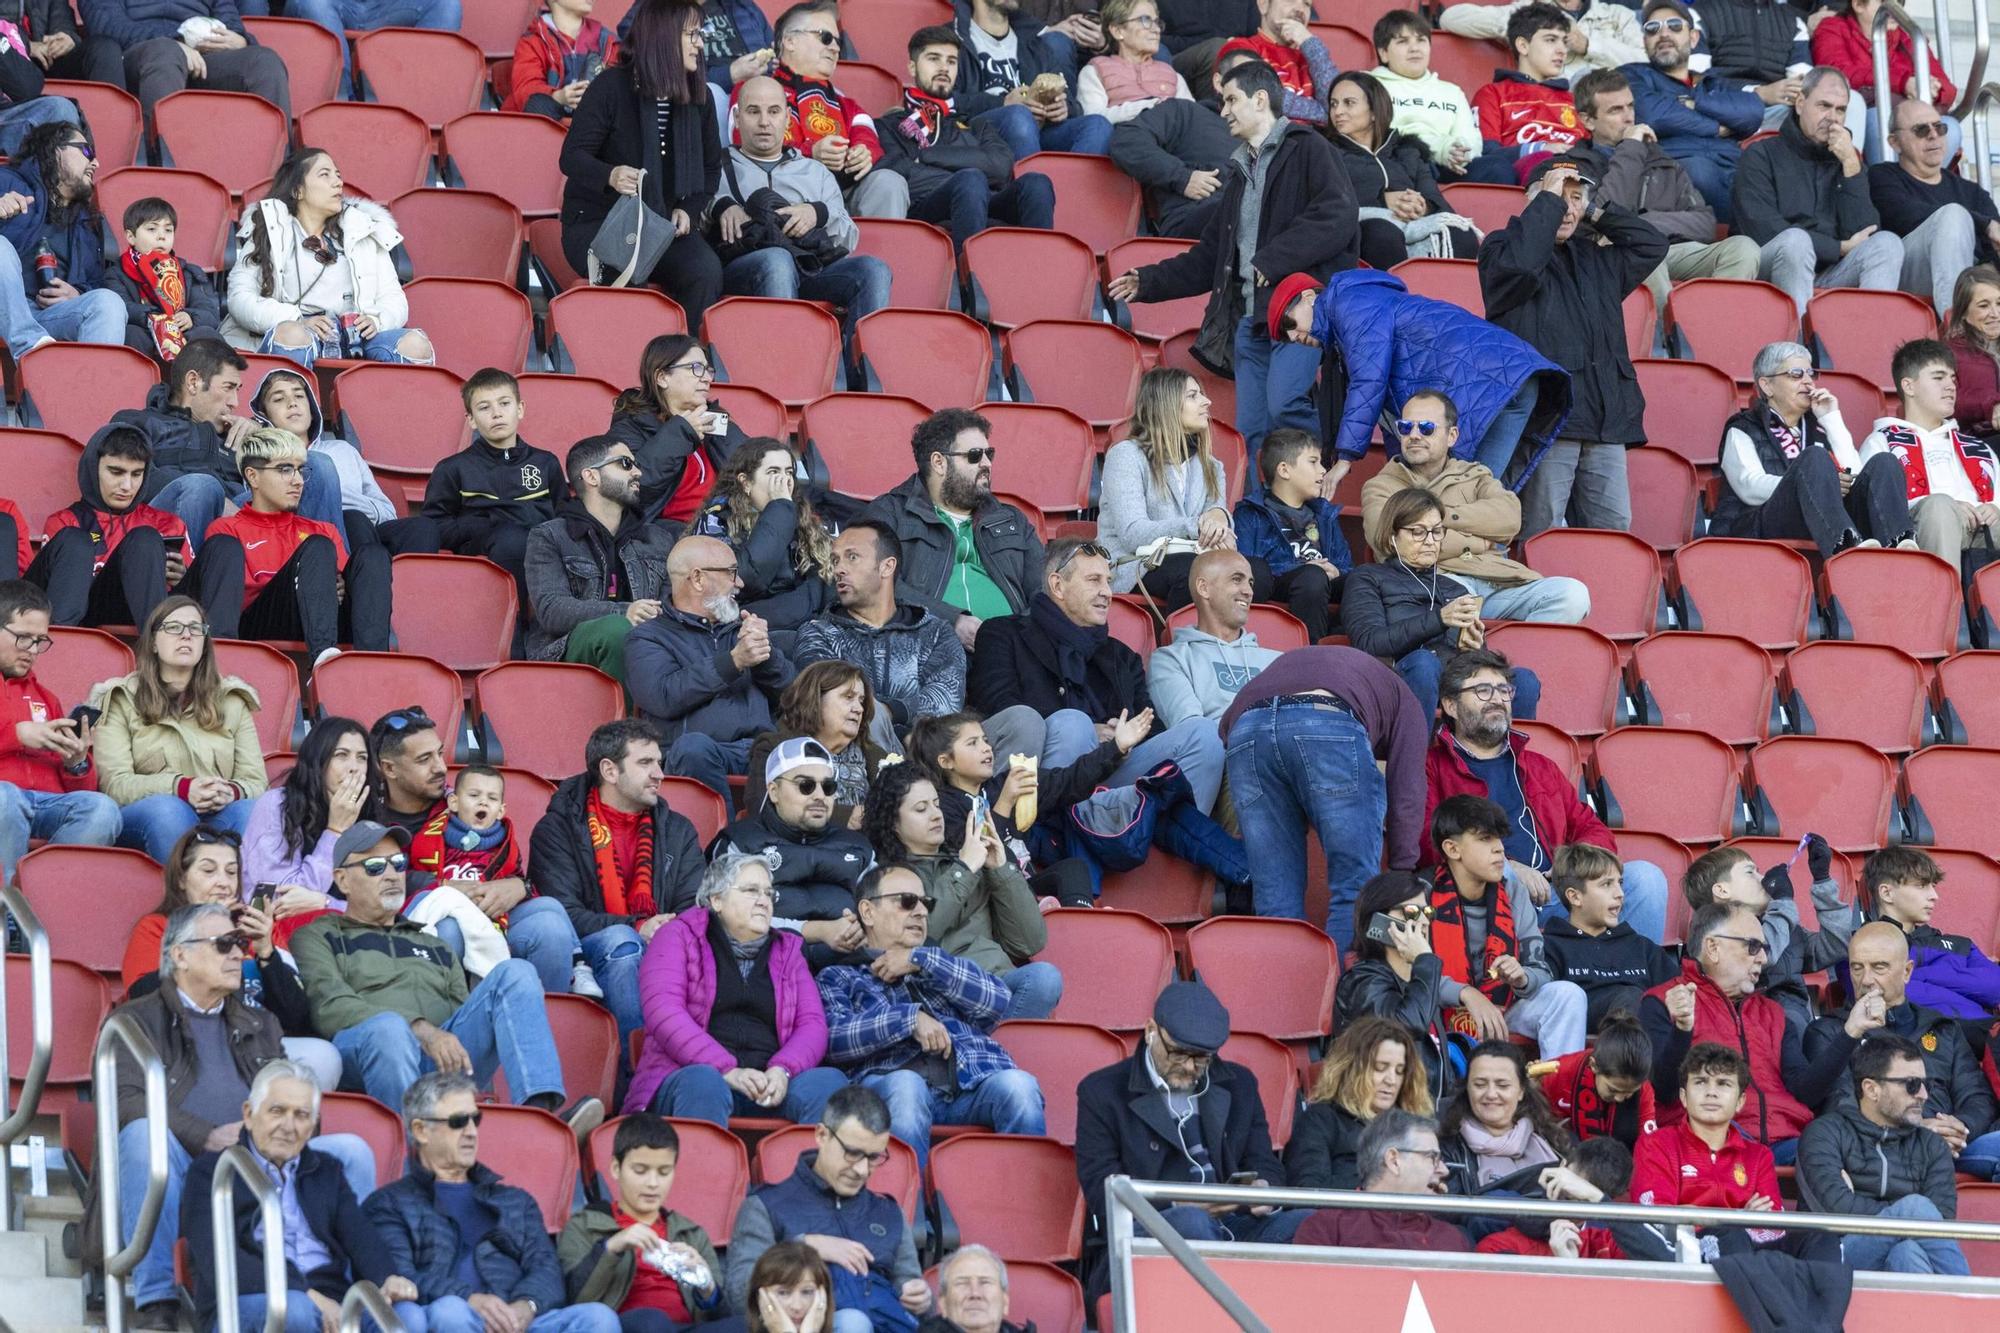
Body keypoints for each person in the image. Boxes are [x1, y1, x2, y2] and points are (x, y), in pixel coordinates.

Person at [109, 909, 374, 1329]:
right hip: (187, 1163)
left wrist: (264, 1138)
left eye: (239, 944)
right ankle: (156, 1301)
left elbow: (300, 1102)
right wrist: (208, 1136)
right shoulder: (135, 1019)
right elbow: (124, 1102)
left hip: (259, 1158)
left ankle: (344, 1295)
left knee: (351, 1150)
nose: (238, 954)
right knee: (144, 1137)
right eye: (223, 945)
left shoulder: (260, 1021)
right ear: (180, 955)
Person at [1106, 58, 1355, 458]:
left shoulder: (1310, 148)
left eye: (1230, 100)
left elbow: (1338, 216)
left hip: (1299, 317)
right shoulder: (1239, 172)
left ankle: (1313, 500)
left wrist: (1273, 259)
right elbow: (1210, 257)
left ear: (1260, 100)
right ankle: (1259, 515)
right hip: (1249, 321)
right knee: (1251, 430)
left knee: (1286, 406)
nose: (1222, 111)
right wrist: (1149, 280)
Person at [966, 538, 1243, 892]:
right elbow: (999, 709)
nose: (1107, 592)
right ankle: (1064, 856)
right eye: (1094, 581)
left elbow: (1152, 725)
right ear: (1057, 585)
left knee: (1203, 734)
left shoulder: (1122, 656)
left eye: (1109, 581)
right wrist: (1091, 731)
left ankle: (1163, 856)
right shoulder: (1003, 634)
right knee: (1073, 724)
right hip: (1049, 783)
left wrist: (1126, 735)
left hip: (1115, 774)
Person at [291, 819, 593, 1120]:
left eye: (398, 863)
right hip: (370, 1055)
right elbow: (329, 1007)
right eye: (374, 867)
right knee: (389, 1030)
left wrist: (436, 1038)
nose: (392, 875)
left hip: (439, 1057)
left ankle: (539, 1115)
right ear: (342, 880)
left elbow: (463, 1013)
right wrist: (419, 1029)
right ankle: (417, 1146)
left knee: (516, 973)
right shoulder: (317, 936)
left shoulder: (430, 941)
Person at [1422, 649, 1668, 943]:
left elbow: (1590, 826)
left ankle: (1631, 983)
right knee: (1503, 878)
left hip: (1560, 892)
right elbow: (1427, 842)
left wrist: (1572, 867)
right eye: (1483, 690)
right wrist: (1505, 866)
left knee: (1647, 878)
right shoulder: (1431, 766)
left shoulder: (1539, 766)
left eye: (1504, 690)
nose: (1498, 699)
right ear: (1450, 705)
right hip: (1490, 893)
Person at [1480, 158, 1665, 537]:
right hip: (1548, 423)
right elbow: (1521, 269)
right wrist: (1547, 205)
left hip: (1605, 422)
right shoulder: (1501, 248)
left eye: (1576, 198)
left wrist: (1596, 211)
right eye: (1555, 198)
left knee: (1614, 532)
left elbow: (1652, 245)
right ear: (1532, 202)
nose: (1566, 208)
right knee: (1540, 530)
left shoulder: (1597, 259)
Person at [818, 864, 1045, 1164]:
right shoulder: (838, 975)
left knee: (1020, 1085)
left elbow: (998, 1001)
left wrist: (922, 960)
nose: (921, 912)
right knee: (907, 1086)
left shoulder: (941, 965)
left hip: (969, 1087)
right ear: (868, 912)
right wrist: (908, 1019)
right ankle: (910, 1209)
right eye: (907, 901)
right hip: (890, 1088)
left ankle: (1022, 1206)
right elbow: (834, 1040)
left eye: (926, 904)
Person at [364, 1071, 622, 1333]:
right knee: (451, 1313)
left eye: (475, 1119)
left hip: (517, 1323)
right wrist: (469, 1299)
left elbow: (546, 1268)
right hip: (446, 1319)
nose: (472, 1132)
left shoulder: (515, 1201)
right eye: (458, 1121)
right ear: (420, 1130)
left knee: (598, 1318)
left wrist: (526, 1305)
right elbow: (399, 1277)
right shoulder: (389, 1204)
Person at [1271, 272, 1570, 489]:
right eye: (1285, 337)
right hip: (1516, 382)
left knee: (1460, 498)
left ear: (1309, 297)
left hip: (1490, 382)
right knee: (1477, 498)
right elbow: (1391, 412)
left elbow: (1369, 381)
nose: (1293, 337)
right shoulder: (1354, 321)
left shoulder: (1348, 301)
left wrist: (1345, 460)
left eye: (1288, 323)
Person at [1219, 645, 1428, 952]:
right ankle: (1337, 997)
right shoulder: (1406, 700)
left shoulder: (1327, 667)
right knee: (1356, 892)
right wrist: (1402, 871)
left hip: (1244, 728)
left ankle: (1285, 996)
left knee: (1275, 899)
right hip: (1328, 719)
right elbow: (1407, 789)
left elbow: (1226, 730)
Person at [1075, 977, 1303, 1254]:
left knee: (1312, 1223)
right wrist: (1177, 1205)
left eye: (1203, 1058)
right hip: (1150, 1232)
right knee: (1193, 1222)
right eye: (1179, 1053)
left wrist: (1261, 1190)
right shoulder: (1102, 1092)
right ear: (1150, 1031)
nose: (1190, 1067)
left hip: (1237, 1224)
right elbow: (1103, 1193)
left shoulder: (1240, 1083)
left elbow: (1265, 1161)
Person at [181, 1061, 411, 1333]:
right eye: (277, 1111)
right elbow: (219, 1260)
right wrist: (303, 1293)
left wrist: (387, 1277)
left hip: (330, 1299)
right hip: (246, 1302)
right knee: (296, 1309)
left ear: (313, 1125)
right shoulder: (213, 1172)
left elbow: (360, 1236)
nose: (288, 1126)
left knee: (405, 1315)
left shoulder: (326, 1169)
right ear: (249, 1114)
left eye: (301, 1115)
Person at [631, 849, 847, 1123]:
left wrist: (782, 1071)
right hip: (692, 1076)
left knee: (827, 1083)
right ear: (717, 899)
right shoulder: (677, 936)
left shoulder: (788, 951)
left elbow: (813, 1024)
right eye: (751, 891)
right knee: (704, 1081)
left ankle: (803, 1167)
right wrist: (726, 1070)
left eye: (769, 894)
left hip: (767, 1083)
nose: (764, 902)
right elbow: (664, 1013)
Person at [119, 825, 341, 1090]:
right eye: (209, 871)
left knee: (324, 1056)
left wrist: (266, 952)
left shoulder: (256, 931)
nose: (223, 882)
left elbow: (297, 1020)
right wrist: (207, 934)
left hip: (254, 1045)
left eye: (231, 872)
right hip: (185, 1047)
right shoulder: (157, 927)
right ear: (181, 879)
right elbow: (144, 997)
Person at [531, 719, 708, 1041]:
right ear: (610, 771)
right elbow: (564, 915)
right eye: (645, 763)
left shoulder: (678, 829)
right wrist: (638, 926)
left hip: (666, 945)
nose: (659, 773)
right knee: (622, 943)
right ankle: (637, 1069)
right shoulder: (558, 830)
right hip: (587, 951)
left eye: (659, 762)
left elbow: (693, 905)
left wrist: (666, 930)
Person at [1639, 902, 1855, 1162]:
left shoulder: (1773, 1013)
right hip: (1708, 1142)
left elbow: (1803, 1092)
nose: (1763, 959)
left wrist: (1850, 1033)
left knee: (1839, 1153)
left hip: (1784, 1142)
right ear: (1713, 948)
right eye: (1753, 946)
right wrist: (1682, 1028)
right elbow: (1666, 1092)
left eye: (1763, 949)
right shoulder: (1663, 1001)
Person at [560, 0, 726, 322]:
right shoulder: (610, 87)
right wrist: (610, 175)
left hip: (661, 225)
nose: (700, 43)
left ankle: (678, 358)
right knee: (626, 267)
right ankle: (630, 361)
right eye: (692, 34)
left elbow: (710, 168)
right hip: (599, 222)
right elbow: (572, 157)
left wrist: (688, 209)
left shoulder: (698, 96)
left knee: (705, 271)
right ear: (664, 36)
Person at [1358, 393, 1587, 622]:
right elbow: (1392, 541)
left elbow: (1510, 518)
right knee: (1444, 604)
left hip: (1495, 578)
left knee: (1573, 595)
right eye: (1406, 427)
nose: (1414, 435)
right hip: (1435, 585)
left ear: (1452, 436)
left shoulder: (1474, 474)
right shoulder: (1381, 486)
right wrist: (1479, 541)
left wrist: (1438, 518)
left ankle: (1518, 655)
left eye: (1426, 428)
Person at [712, 74, 892, 360]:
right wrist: (719, 206)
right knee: (777, 260)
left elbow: (849, 236)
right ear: (737, 117)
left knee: (874, 270)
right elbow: (692, 212)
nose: (763, 122)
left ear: (786, 118)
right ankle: (787, 365)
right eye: (753, 111)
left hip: (808, 267)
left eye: (773, 111)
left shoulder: (814, 170)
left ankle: (860, 371)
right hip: (743, 268)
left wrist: (817, 213)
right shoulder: (716, 166)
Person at [725, 1085, 931, 1333]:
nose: (862, 1170)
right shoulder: (765, 1206)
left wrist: (917, 1296)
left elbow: (908, 1285)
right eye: (853, 1153)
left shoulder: (889, 1213)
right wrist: (803, 1247)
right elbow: (739, 1297)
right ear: (822, 1135)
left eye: (874, 1157)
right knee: (853, 1323)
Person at [862, 762, 1058, 1022]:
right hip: (941, 994)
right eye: (921, 809)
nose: (935, 815)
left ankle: (992, 1050)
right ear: (893, 823)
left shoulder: (973, 858)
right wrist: (964, 869)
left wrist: (1000, 868)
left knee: (1044, 979)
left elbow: (1030, 942)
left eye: (936, 804)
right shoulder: (887, 878)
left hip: (996, 985)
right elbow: (921, 933)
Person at [1558, 67, 1760, 311]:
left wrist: (1643, 223)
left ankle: (1712, 331)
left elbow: (1705, 223)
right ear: (1588, 120)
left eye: (1630, 106)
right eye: (1615, 110)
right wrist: (1630, 147)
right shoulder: (1576, 164)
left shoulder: (1662, 158)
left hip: (1672, 249)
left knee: (1743, 249)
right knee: (1647, 257)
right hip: (1613, 255)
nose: (1628, 117)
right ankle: (1669, 338)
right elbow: (1603, 215)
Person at [1341, 488, 1547, 724]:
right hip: (1396, 677)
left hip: (1454, 684)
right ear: (1392, 537)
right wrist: (1439, 619)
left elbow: (1471, 663)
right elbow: (1369, 642)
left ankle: (1509, 760)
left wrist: (1476, 648)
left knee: (1524, 680)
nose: (1430, 541)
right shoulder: (1368, 577)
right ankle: (1416, 756)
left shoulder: (1454, 588)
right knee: (1423, 662)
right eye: (1418, 532)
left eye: (1437, 532)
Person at [1810, 922, 1998, 1174]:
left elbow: (1977, 1097)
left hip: (1954, 1146)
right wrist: (1916, 1129)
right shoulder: (1831, 1032)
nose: (1866, 980)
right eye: (1857, 968)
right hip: (1881, 1152)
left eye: (1879, 967)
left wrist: (1960, 1126)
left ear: (1907, 971)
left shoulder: (1942, 1028)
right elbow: (1839, 1105)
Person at [203, 426, 394, 667]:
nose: (297, 480)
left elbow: (344, 590)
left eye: (300, 470)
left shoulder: (324, 529)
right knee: (317, 549)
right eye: (285, 470)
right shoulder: (226, 529)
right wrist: (306, 582)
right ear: (253, 476)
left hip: (324, 616)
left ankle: (375, 665)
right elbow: (235, 602)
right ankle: (325, 664)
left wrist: (325, 586)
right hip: (263, 622)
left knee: (374, 555)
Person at [223, 149, 431, 369]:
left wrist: (377, 321)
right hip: (299, 331)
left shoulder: (363, 231)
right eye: (325, 174)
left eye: (338, 175)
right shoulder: (267, 230)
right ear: (298, 190)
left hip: (355, 337)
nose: (338, 183)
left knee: (415, 345)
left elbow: (394, 298)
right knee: (291, 335)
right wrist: (296, 320)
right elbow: (240, 297)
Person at [91, 595, 261, 860]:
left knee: (251, 812)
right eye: (173, 628)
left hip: (217, 814)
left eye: (195, 629)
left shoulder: (232, 700)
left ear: (205, 644)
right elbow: (115, 784)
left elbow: (256, 782)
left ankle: (243, 899)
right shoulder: (121, 698)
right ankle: (186, 901)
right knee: (169, 810)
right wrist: (181, 788)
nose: (186, 635)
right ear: (153, 643)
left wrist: (230, 792)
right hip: (148, 816)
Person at [862, 408, 1045, 650]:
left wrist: (1015, 637)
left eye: (989, 454)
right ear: (939, 462)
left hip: (1011, 652)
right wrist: (950, 621)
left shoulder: (1010, 519)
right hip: (929, 648)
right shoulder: (890, 514)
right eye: (975, 455)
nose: (987, 463)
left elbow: (1046, 591)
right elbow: (872, 581)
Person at [628, 534, 797, 795]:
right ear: (697, 579)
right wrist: (733, 662)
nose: (739, 583)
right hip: (693, 755)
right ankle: (723, 836)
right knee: (693, 749)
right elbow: (663, 696)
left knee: (806, 750)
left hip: (760, 750)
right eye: (731, 572)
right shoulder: (648, 636)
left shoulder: (742, 629)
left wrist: (765, 653)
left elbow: (794, 698)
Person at [1714, 339, 1914, 556]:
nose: (1808, 382)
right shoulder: (1743, 428)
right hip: (1760, 525)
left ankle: (1900, 548)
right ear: (1767, 385)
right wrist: (1815, 484)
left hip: (1819, 520)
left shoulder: (1819, 426)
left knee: (1884, 461)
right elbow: (1749, 487)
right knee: (1815, 458)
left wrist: (1832, 419)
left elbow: (1855, 475)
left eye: (1810, 374)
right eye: (1796, 374)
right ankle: (1845, 547)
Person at [1734, 65, 1903, 319]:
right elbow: (1763, 231)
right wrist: (1839, 248)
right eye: (1824, 106)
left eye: (1841, 110)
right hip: (1769, 271)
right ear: (1800, 103)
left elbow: (1865, 233)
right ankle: (1799, 352)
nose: (1833, 117)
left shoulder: (1847, 161)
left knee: (1887, 243)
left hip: (1828, 273)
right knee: (1795, 241)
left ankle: (1872, 346)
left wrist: (1851, 166)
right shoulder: (1760, 155)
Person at [1427, 796, 1589, 1059]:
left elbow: (1541, 972)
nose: (1500, 849)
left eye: (1499, 839)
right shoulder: (1421, 893)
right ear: (1452, 849)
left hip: (1504, 1007)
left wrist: (1522, 977)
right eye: (1485, 839)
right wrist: (1465, 994)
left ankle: (1560, 1093)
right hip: (1437, 1009)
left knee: (1568, 995)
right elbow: (1408, 974)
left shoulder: (1513, 891)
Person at [29, 425, 234, 631]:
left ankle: (219, 651)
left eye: (136, 474)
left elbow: (185, 599)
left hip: (162, 611)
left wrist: (181, 577)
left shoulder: (168, 523)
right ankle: (64, 648)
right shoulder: (67, 522)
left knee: (226, 546)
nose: (127, 486)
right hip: (95, 612)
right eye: (116, 472)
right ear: (93, 468)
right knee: (136, 540)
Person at [1097, 366, 1271, 609]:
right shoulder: (1126, 455)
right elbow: (1132, 534)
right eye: (1193, 396)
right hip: (1137, 563)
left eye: (1202, 394)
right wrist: (1197, 525)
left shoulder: (1211, 465)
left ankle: (1223, 643)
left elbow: (1216, 516)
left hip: (1196, 557)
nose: (1207, 401)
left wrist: (1220, 521)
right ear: (1165, 405)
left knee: (1259, 573)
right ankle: (1180, 644)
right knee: (1192, 573)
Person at [1796, 1035, 1969, 1274]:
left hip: (1898, 1256)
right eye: (1911, 1084)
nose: (1923, 1095)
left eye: (1925, 1085)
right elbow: (1837, 1210)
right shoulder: (1824, 1133)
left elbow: (1940, 1220)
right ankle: (1972, 1301)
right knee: (1917, 1209)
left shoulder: (1931, 1145)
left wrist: (1902, 1217)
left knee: (1907, 1252)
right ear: (1872, 1089)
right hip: (1834, 1259)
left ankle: (1936, 1311)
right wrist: (1906, 1213)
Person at [878, 25, 1057, 252]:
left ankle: (1042, 273)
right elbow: (901, 173)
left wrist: (925, 155)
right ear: (912, 67)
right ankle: (968, 280)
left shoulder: (976, 124)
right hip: (928, 207)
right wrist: (969, 166)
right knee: (970, 179)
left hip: (985, 201)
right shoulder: (890, 125)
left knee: (1037, 183)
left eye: (951, 61)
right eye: (934, 59)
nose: (944, 68)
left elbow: (1001, 167)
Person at [424, 368, 565, 653]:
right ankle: (515, 640)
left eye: (504, 403)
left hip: (541, 549)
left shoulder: (545, 463)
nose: (496, 414)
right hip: (489, 549)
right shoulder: (453, 468)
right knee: (511, 540)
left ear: (520, 409)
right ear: (471, 420)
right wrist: (484, 524)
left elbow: (563, 515)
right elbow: (433, 527)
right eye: (484, 408)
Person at [796, 521, 967, 753]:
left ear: (887, 567)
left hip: (930, 751)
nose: (838, 570)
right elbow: (837, 706)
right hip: (858, 758)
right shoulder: (818, 633)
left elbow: (944, 703)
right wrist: (884, 714)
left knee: (1020, 721)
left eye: (852, 557)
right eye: (835, 560)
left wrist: (892, 711)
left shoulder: (935, 631)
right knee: (869, 716)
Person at [903, 709, 1100, 910]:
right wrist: (1005, 803)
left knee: (1074, 868)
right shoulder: (942, 806)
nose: (986, 748)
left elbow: (1067, 781)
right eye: (973, 743)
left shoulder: (1001, 785)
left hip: (1024, 883)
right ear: (946, 761)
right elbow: (979, 857)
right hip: (988, 896)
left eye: (985, 740)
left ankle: (1080, 924)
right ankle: (1042, 913)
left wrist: (1118, 748)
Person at [556, 1114, 728, 1331]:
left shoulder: (691, 1233)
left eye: (664, 1172)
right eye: (640, 1171)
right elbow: (576, 1301)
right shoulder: (584, 1225)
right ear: (616, 1169)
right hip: (628, 1326)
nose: (653, 1183)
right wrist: (612, 1248)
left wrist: (707, 1285)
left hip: (685, 1327)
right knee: (652, 1321)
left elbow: (722, 1314)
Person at [526, 434, 675, 682]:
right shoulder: (550, 536)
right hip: (566, 649)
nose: (637, 472)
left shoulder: (659, 538)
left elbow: (672, 602)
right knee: (617, 629)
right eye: (625, 464)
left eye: (636, 464)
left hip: (649, 643)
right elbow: (552, 610)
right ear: (591, 476)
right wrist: (624, 612)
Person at [0, 578, 119, 884]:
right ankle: (9, 910)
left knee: (102, 809)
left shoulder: (46, 698)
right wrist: (18, 735)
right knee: (5, 797)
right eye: (24, 638)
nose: (33, 650)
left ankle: (43, 895)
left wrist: (76, 763)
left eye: (41, 641)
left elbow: (80, 792)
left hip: (46, 803)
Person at [249, 367, 438, 558]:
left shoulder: (343, 450)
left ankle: (411, 587)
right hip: (311, 538)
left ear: (312, 409)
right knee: (353, 519)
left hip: (366, 532)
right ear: (264, 415)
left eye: (299, 396)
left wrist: (350, 502)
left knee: (422, 527)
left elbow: (387, 511)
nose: (292, 404)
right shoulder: (263, 459)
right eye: (279, 399)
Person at [713, 737, 873, 959]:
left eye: (828, 787)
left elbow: (884, 911)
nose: (819, 796)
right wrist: (818, 931)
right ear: (774, 791)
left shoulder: (859, 847)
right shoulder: (741, 842)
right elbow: (729, 919)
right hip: (765, 965)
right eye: (805, 786)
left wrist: (863, 929)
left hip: (848, 967)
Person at [1680, 840, 1861, 1031]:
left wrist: (1822, 880)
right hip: (1746, 1030)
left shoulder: (1781, 925)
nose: (1763, 878)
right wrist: (1782, 901)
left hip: (1796, 1027)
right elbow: (1760, 955)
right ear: (1722, 890)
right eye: (1750, 872)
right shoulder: (1713, 931)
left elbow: (1838, 945)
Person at [1616, 0, 1764, 224]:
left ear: (1693, 38)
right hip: (1673, 167)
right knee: (1700, 171)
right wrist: (1716, 127)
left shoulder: (1713, 82)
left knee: (1766, 174)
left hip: (1732, 165)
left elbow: (1753, 112)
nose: (1664, 34)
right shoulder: (1632, 75)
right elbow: (1653, 114)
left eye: (1675, 25)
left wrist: (1693, 103)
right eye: (1652, 29)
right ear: (1644, 41)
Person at [1860, 337, 2000, 567]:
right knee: (1940, 507)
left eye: (1953, 379)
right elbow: (1877, 507)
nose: (1951, 386)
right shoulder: (1881, 442)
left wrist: (1994, 507)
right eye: (1938, 378)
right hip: (1925, 528)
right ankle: (1946, 602)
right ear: (1909, 386)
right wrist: (1950, 506)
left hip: (1985, 528)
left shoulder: (1978, 447)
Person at [767, 0, 909, 220]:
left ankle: (879, 255)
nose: (835, 48)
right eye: (825, 37)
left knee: (889, 182)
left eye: (837, 41)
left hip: (842, 194)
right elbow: (748, 148)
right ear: (790, 41)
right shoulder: (755, 92)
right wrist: (811, 152)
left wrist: (862, 154)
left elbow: (869, 142)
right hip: (784, 194)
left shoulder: (848, 105)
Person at [1629, 1043, 1787, 1236]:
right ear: (1684, 1097)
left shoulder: (1759, 1156)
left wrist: (1692, 1214)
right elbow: (1657, 1220)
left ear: (1740, 1101)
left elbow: (1775, 1230)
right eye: (1701, 1082)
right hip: (1681, 1257)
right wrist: (1740, 1219)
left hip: (1746, 1260)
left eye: (1723, 1083)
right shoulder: (1656, 1145)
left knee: (1820, 1238)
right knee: (1733, 1237)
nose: (1711, 1092)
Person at [1328, 70, 1478, 270]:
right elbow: (1325, 199)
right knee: (1381, 233)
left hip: (1412, 225)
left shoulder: (1407, 150)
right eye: (1333, 104)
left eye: (1349, 103)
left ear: (1374, 111)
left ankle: (1441, 296)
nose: (1338, 111)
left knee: (1461, 233)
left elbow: (1439, 203)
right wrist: (1382, 201)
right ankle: (1396, 298)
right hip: (1358, 230)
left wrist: (1422, 206)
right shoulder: (1324, 150)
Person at [239, 715, 370, 936]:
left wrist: (326, 902)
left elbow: (379, 909)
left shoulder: (369, 813)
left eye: (362, 758)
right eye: (341, 755)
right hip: (279, 939)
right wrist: (335, 831)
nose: (354, 768)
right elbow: (280, 902)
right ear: (318, 761)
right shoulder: (277, 806)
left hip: (352, 938)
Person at [1870, 98, 2000, 318]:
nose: (1933, 135)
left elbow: (1993, 248)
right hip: (1909, 276)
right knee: (1952, 215)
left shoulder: (1971, 191)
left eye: (1939, 127)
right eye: (1921, 130)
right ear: (1895, 142)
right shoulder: (1881, 176)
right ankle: (1957, 325)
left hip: (1972, 279)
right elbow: (1904, 216)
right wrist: (1984, 224)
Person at [0, 122, 123, 351]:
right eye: (87, 152)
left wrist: (77, 293)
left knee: (107, 302)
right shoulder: (6, 180)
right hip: (5, 310)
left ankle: (99, 386)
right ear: (56, 149)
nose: (95, 163)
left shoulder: (88, 222)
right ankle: (33, 352)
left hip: (48, 315)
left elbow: (96, 282)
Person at [1334, 871, 1456, 1098]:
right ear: (1378, 921)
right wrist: (1425, 960)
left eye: (1427, 912)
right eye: (1410, 912)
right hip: (1380, 1122)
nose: (1421, 921)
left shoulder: (1419, 981)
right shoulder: (1362, 981)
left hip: (1426, 1119)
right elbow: (1405, 1029)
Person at [608, 334, 750, 527]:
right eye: (696, 368)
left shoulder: (716, 421)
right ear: (662, 377)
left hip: (724, 528)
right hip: (664, 536)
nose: (707, 378)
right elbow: (634, 489)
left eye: (708, 370)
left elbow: (755, 464)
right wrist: (681, 432)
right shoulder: (630, 426)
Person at [695, 437, 835, 631]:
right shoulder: (717, 519)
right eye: (773, 472)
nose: (784, 481)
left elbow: (826, 582)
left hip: (804, 627)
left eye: (789, 473)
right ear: (745, 482)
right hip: (745, 632)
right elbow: (746, 580)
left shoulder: (803, 518)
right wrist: (779, 508)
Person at [1287, 1015, 1434, 1191]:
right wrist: (1383, 1184)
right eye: (1380, 1067)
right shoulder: (1320, 1120)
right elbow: (1308, 1190)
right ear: (1352, 1068)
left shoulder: (1412, 1127)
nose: (1391, 1080)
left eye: (1400, 1071)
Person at [951, 0, 1112, 159]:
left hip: (1039, 130)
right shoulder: (950, 40)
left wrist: (1063, 108)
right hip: (983, 132)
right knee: (1019, 116)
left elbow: (1072, 104)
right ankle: (1033, 183)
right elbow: (943, 101)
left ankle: (1067, 185)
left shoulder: (1035, 43)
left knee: (1098, 125)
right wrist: (1002, 103)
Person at [1104, 44, 1235, 240]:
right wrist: (1181, 177)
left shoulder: (1273, 135)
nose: (1250, 87)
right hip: (1194, 219)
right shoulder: (1185, 112)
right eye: (1244, 76)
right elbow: (1127, 141)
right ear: (1219, 82)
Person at [1541, 844, 1679, 1029]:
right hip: (1584, 1047)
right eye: (1606, 884)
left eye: (1620, 883)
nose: (1620, 894)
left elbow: (1680, 997)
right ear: (1575, 897)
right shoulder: (1550, 948)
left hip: (1645, 1043)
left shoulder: (1642, 948)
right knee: (1632, 995)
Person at [80, 0, 289, 121]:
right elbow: (106, 26)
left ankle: (283, 176)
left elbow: (230, 21)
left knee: (265, 62)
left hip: (206, 56)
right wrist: (178, 40)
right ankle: (163, 168)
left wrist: (241, 40)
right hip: (137, 55)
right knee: (166, 53)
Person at [1291, 1111, 1469, 1251]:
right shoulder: (1326, 1231)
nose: (1443, 1170)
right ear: (1393, 1160)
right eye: (1432, 1157)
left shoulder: (1452, 1240)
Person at [1860, 845, 2000, 1023]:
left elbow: (1996, 988)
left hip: (1987, 1037)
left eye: (1933, 886)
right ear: (1887, 893)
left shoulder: (1961, 945)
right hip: (1926, 1042)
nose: (1934, 896)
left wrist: (1918, 976)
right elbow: (1883, 994)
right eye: (1921, 886)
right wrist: (1960, 983)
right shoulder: (1862, 947)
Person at [1147, 549, 1282, 726]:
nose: (1249, 591)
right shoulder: (1172, 660)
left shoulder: (1278, 661)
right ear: (1204, 588)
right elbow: (1192, 733)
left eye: (1250, 583)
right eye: (1236, 579)